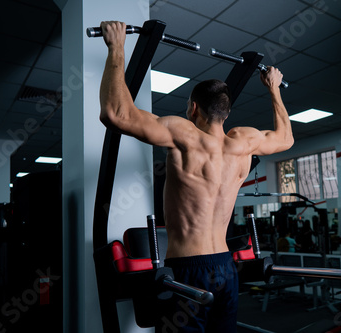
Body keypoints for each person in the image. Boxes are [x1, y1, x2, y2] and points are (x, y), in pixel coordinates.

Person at [99, 21, 294, 333]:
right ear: (226, 113)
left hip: (189, 270)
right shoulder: (244, 142)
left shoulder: (184, 135)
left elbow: (115, 114)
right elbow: (286, 139)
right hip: (226, 268)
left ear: (192, 108)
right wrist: (272, 88)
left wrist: (117, 48)